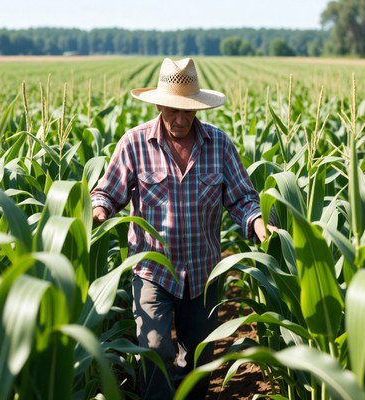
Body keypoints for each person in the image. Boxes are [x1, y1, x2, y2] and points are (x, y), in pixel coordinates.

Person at [91, 57, 277, 400]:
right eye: (172, 110)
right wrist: (99, 210)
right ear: (160, 104)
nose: (179, 120)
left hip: (203, 273)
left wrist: (257, 222)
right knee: (156, 349)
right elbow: (106, 193)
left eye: (187, 111)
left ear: (197, 108)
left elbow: (242, 199)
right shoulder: (134, 143)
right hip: (152, 270)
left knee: (199, 359)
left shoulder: (219, 145)